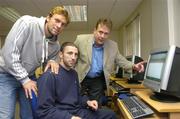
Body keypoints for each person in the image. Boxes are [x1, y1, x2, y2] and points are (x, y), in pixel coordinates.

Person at [0, 6, 70, 119]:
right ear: (48, 17)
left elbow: (47, 60)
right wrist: (24, 79)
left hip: (29, 77)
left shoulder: (56, 46)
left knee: (30, 115)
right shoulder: (27, 23)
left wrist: (52, 61)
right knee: (6, 115)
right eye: (57, 20)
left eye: (63, 24)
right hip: (6, 75)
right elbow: (9, 54)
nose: (59, 26)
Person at [36, 42, 117, 119]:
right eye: (70, 53)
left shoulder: (74, 73)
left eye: (76, 54)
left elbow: (78, 96)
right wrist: (70, 117)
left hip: (77, 111)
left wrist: (87, 102)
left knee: (110, 115)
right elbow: (44, 111)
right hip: (62, 114)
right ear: (61, 55)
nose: (73, 57)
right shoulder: (49, 76)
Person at [74, 18, 145, 105]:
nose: (102, 36)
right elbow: (71, 55)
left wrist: (134, 66)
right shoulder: (81, 40)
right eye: (100, 32)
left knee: (95, 105)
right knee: (76, 101)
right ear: (94, 30)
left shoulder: (113, 46)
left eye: (106, 33)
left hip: (97, 80)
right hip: (81, 77)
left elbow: (121, 60)